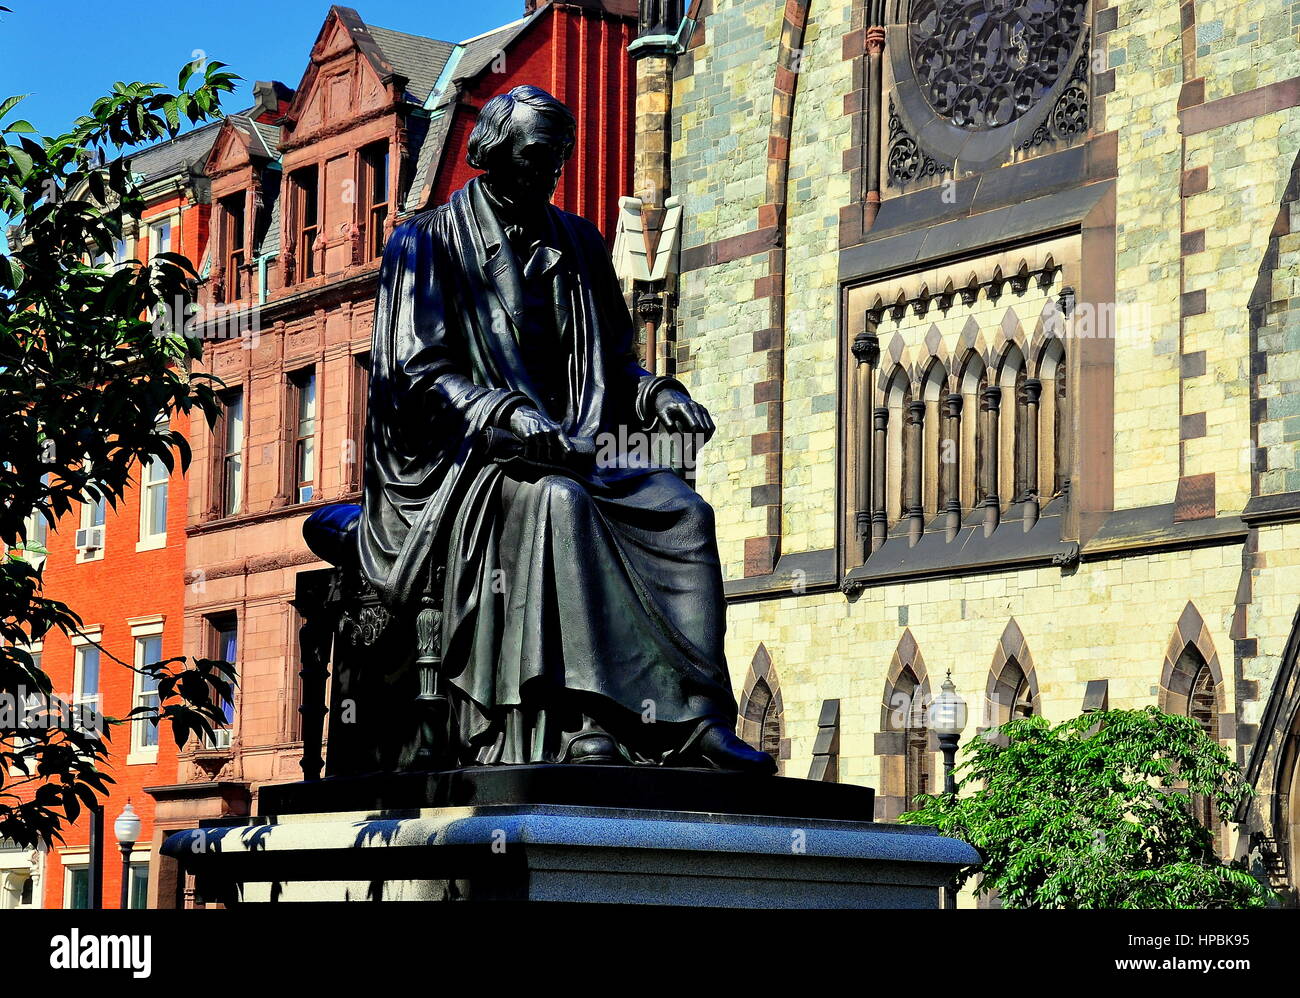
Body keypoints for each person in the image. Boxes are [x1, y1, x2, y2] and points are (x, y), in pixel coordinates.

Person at [308, 85, 775, 774]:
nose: (548, 173)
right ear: (493, 155)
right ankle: (589, 720)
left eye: (557, 159)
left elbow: (616, 365)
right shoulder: (426, 242)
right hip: (464, 467)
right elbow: (414, 370)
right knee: (562, 503)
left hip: (572, 449)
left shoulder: (578, 243)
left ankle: (695, 719)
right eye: (536, 158)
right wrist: (501, 412)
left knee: (682, 512)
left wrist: (658, 396)